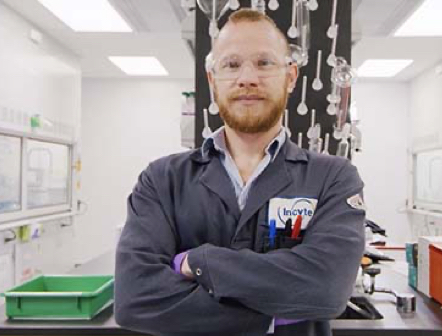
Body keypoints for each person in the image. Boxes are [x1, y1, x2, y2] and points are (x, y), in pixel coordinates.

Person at [115, 8, 366, 336]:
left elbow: (326, 289)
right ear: (212, 79)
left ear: (290, 77)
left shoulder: (333, 177)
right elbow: (135, 299)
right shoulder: (162, 180)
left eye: (264, 63)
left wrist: (201, 260)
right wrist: (274, 318)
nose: (248, 77)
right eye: (231, 64)